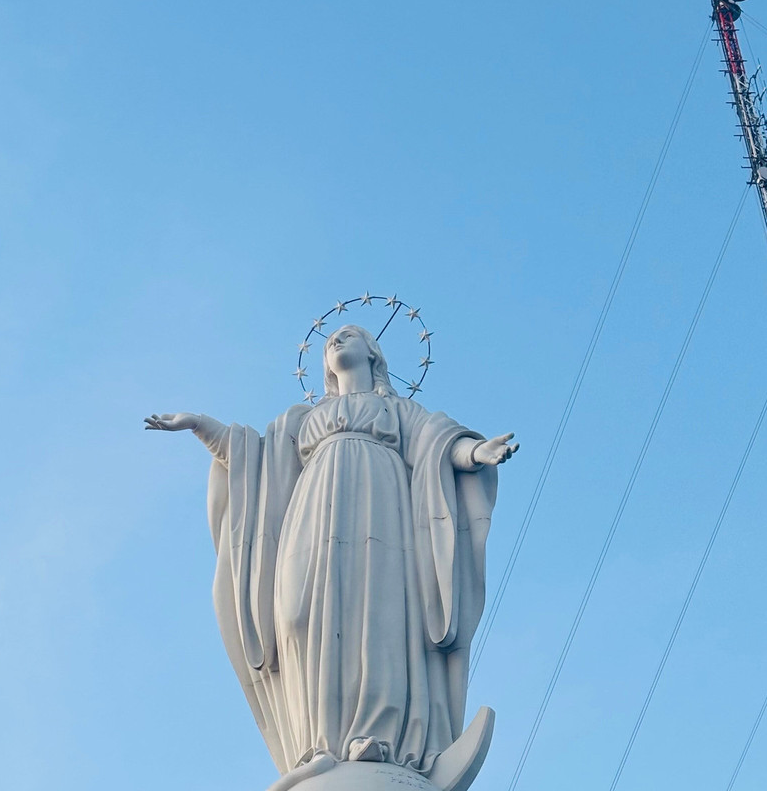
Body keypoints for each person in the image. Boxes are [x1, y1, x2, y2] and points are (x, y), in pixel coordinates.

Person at [146, 324, 518, 784]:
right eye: (329, 341)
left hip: (381, 507)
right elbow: (254, 460)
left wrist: (477, 451)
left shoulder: (397, 410)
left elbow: (437, 445)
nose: (336, 342)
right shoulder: (303, 418)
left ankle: (375, 735)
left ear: (372, 352)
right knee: (298, 614)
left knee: (374, 614)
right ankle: (318, 741)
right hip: (314, 506)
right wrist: (201, 426)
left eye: (347, 335)